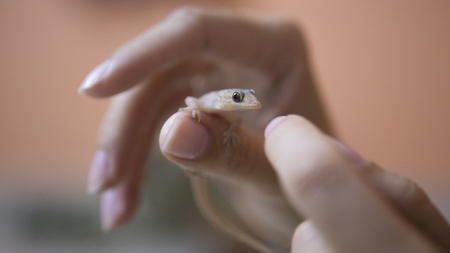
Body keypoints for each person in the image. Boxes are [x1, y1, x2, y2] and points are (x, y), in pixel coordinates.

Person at [78, 7, 450, 252]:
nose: (243, 100)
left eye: (241, 98)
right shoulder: (203, 102)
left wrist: (232, 138)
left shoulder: (231, 104)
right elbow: (199, 106)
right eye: (238, 97)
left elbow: (237, 112)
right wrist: (202, 121)